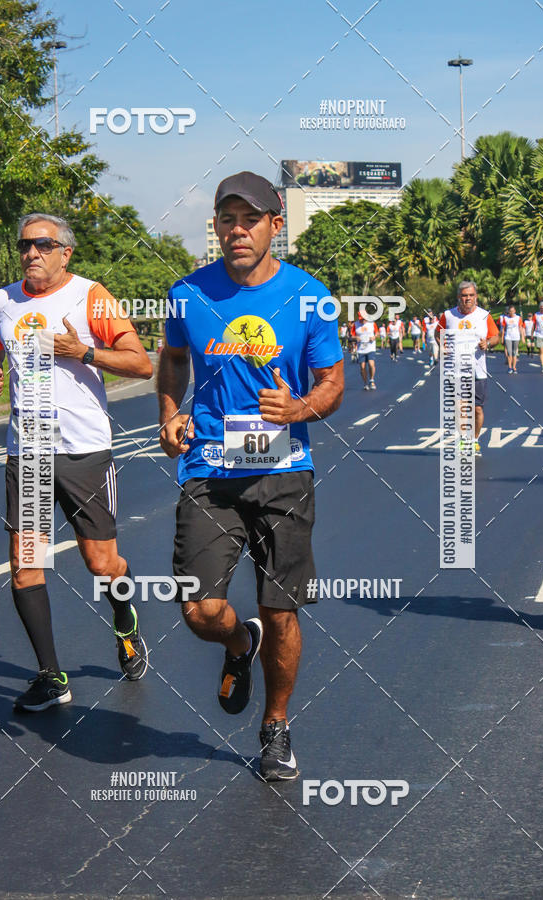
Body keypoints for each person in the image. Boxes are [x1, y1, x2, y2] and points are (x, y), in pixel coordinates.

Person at [157, 172, 344, 781]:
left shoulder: (311, 297)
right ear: (215, 226)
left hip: (284, 470)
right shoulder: (188, 294)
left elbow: (333, 383)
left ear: (275, 224)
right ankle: (240, 643)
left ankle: (276, 726)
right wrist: (169, 412)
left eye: (250, 219)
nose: (237, 231)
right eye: (226, 219)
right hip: (209, 468)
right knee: (201, 611)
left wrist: (300, 409)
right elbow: (174, 359)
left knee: (281, 610)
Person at [0, 213, 153, 711]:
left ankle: (125, 619)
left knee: (101, 562)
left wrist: (84, 352)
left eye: (42, 244)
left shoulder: (91, 297)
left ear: (65, 252)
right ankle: (52, 676)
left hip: (83, 450)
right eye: (25, 245)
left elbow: (140, 363)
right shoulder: (1, 302)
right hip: (27, 451)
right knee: (25, 564)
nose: (31, 253)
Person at [436, 281, 499, 457]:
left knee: (477, 409)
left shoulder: (484, 316)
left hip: (478, 370)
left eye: (471, 295)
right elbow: (437, 333)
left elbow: (495, 337)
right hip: (455, 370)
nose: (468, 299)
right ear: (459, 297)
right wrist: (442, 345)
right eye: (464, 296)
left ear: (475, 297)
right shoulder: (448, 316)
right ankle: (464, 439)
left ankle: (475, 440)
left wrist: (488, 343)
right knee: (459, 406)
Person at [352, 317, 379, 389]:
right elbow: (352, 335)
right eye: (361, 319)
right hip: (361, 349)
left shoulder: (372, 323)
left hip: (371, 347)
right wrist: (356, 338)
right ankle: (365, 383)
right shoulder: (355, 324)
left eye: (363, 319)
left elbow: (377, 333)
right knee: (362, 367)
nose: (362, 321)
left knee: (371, 364)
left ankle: (372, 380)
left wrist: (374, 337)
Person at [500, 304, 525, 374]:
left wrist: (522, 337)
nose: (511, 312)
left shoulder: (518, 318)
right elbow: (504, 329)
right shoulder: (506, 318)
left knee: (514, 353)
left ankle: (514, 367)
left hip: (516, 337)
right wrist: (502, 338)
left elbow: (520, 327)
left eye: (513, 311)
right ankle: (510, 367)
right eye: (510, 311)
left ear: (515, 311)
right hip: (508, 337)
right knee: (509, 352)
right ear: (509, 311)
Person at [533, 301, 543, 373]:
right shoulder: (536, 315)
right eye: (542, 308)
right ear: (539, 308)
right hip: (539, 335)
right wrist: (532, 334)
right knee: (542, 351)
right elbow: (534, 325)